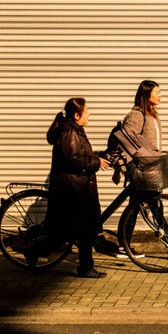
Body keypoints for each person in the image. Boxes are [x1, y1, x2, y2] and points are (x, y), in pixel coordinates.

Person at [44, 97, 110, 278]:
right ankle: (85, 268)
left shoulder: (75, 130)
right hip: (73, 189)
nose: (89, 114)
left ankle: (34, 252)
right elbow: (72, 159)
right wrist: (96, 162)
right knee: (85, 231)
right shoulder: (69, 132)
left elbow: (81, 154)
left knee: (66, 232)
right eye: (87, 111)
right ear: (76, 115)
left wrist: (100, 156)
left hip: (77, 187)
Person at [119, 80, 168, 258]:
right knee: (154, 206)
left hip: (151, 167)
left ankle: (123, 246)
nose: (160, 95)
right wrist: (123, 168)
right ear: (146, 94)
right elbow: (125, 142)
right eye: (157, 92)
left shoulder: (152, 115)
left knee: (134, 207)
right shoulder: (137, 115)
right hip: (141, 168)